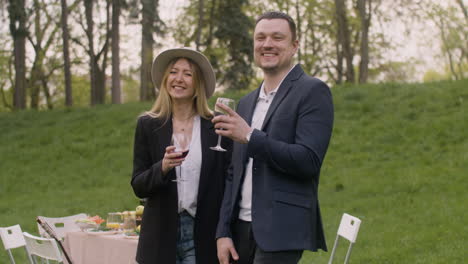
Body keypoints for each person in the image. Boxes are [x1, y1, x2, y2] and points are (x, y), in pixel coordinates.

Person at [213, 11, 334, 264]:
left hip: (281, 229)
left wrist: (249, 135)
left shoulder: (313, 91)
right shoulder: (245, 103)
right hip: (239, 230)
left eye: (277, 37)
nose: (267, 44)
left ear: (294, 46)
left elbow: (308, 160)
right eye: (261, 38)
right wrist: (223, 231)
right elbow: (233, 173)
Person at [131, 47, 232, 264]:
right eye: (173, 72)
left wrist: (226, 231)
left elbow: (228, 184)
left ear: (198, 84)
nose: (179, 79)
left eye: (187, 74)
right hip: (159, 237)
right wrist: (163, 167)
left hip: (202, 234)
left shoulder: (216, 126)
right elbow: (138, 185)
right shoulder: (148, 125)